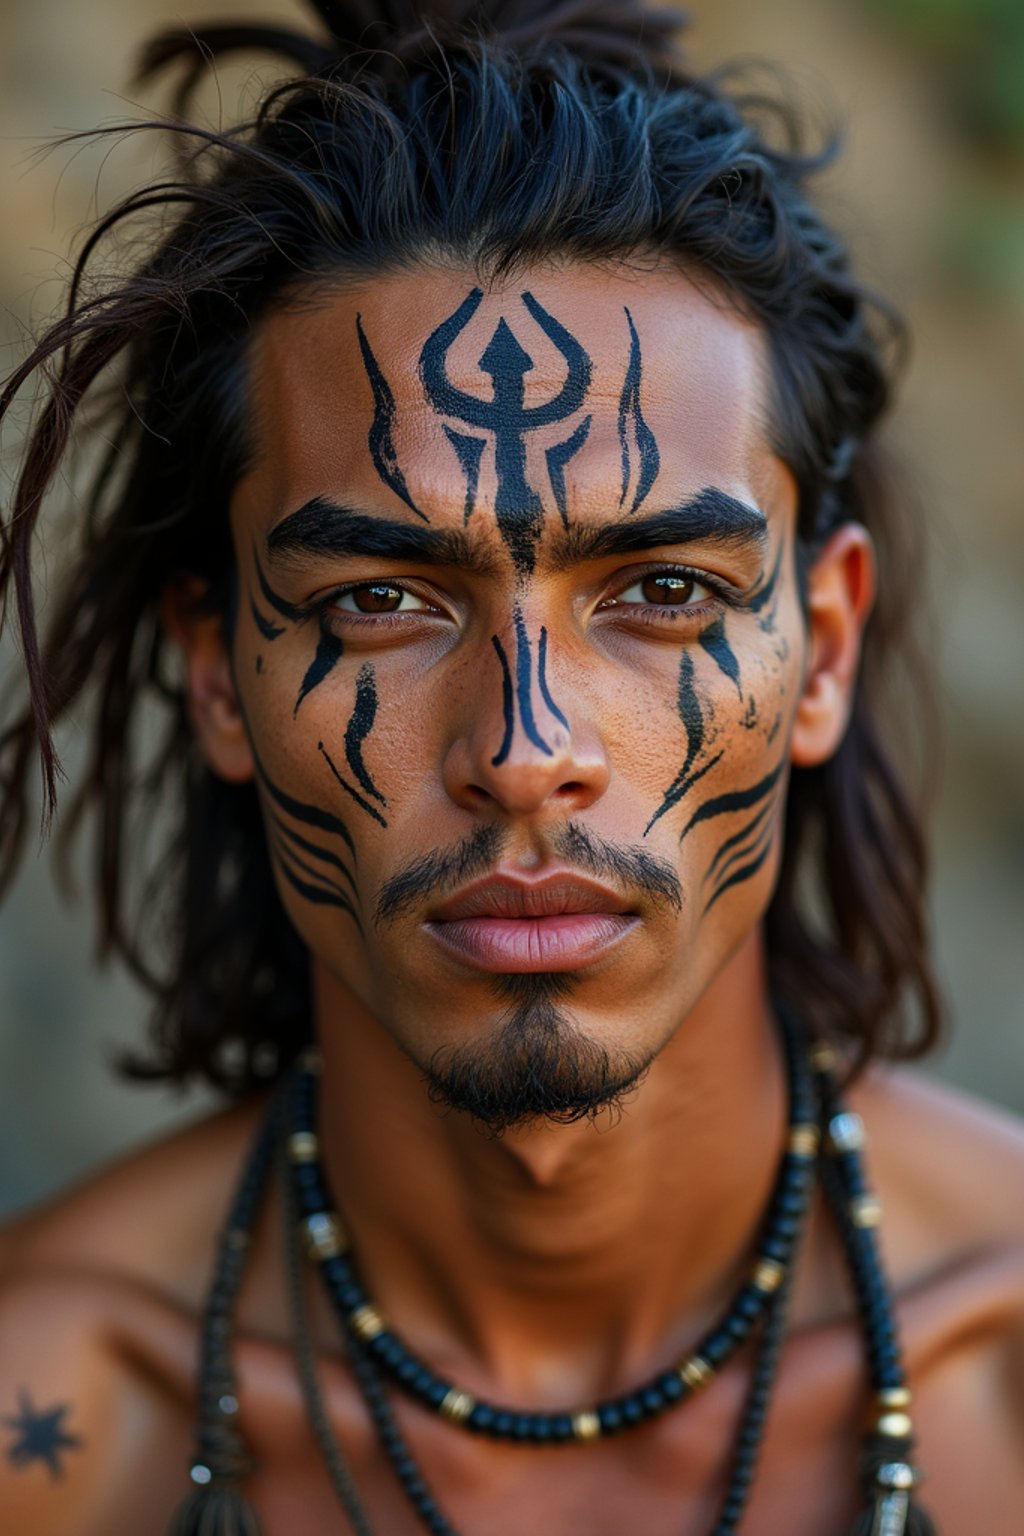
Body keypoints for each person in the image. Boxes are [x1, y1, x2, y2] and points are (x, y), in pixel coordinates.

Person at [0, 2, 1022, 1531]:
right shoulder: (56, 1413)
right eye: (381, 602)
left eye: (663, 593)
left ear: (824, 644)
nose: (527, 754)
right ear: (219, 673)